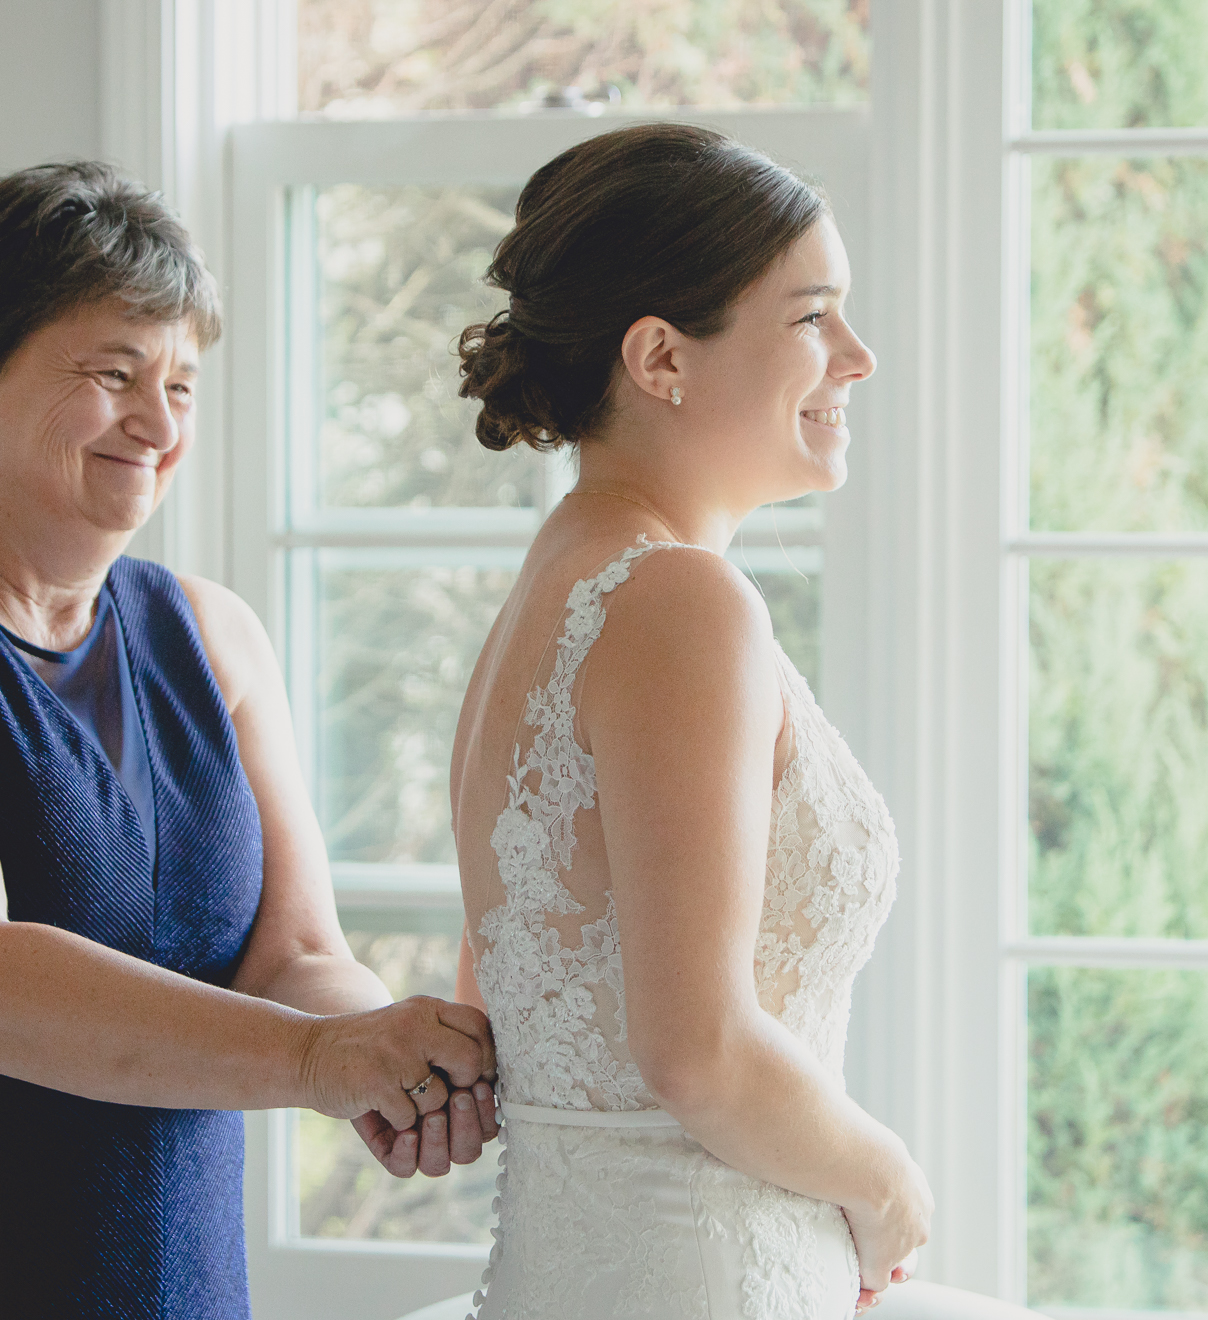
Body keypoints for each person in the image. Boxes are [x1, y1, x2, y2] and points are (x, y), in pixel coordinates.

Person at [0, 162, 497, 1320]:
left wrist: (393, 1055)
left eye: (181, 382)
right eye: (112, 373)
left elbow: (293, 958)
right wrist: (314, 1065)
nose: (161, 422)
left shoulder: (215, 632)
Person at [448, 124, 931, 1320]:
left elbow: (505, 982)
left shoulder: (554, 585)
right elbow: (697, 1048)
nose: (859, 357)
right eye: (814, 318)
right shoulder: (677, 601)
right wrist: (886, 1183)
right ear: (662, 358)